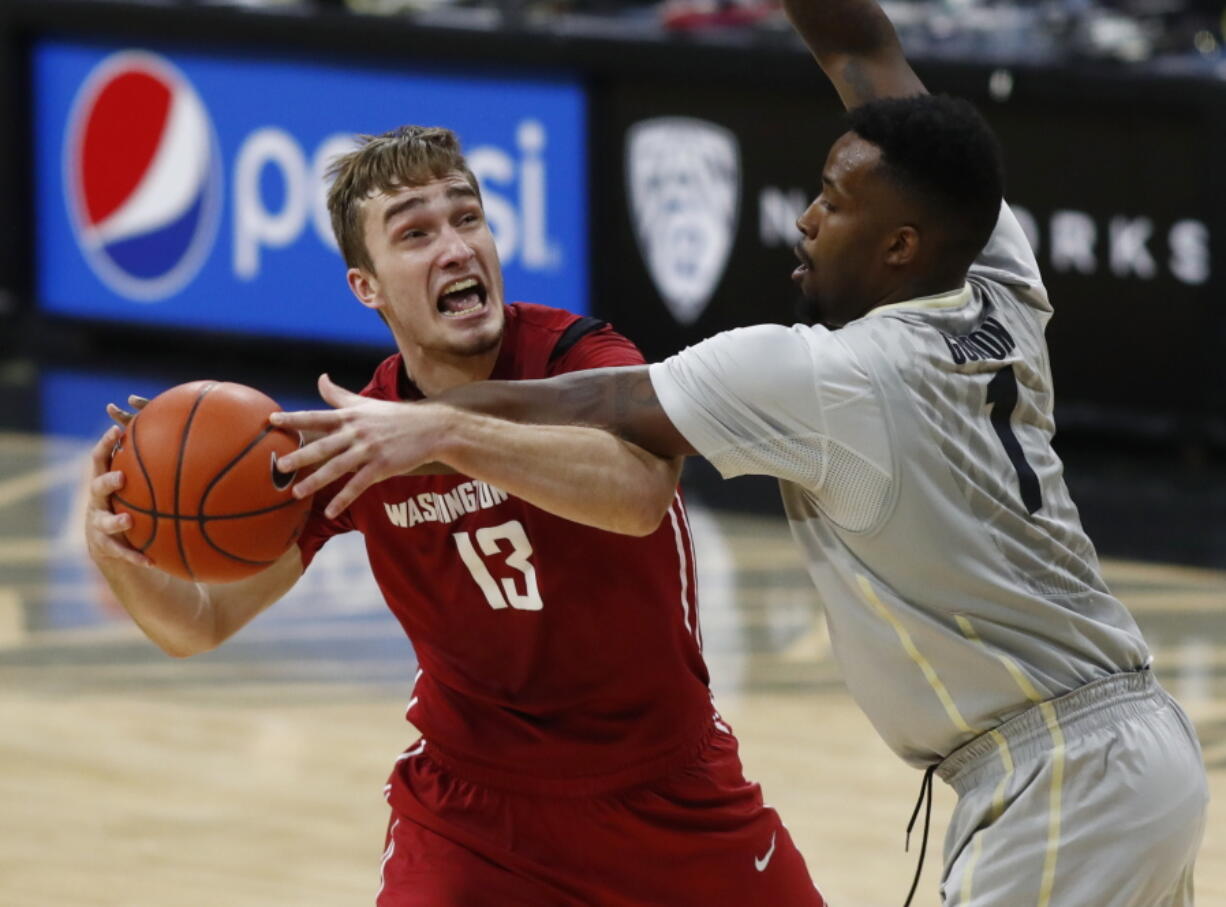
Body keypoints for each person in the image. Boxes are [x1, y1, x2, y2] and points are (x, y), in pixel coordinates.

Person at [272, 2, 1210, 904]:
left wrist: (428, 424)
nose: (804, 218)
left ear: (900, 245)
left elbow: (605, 404)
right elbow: (861, 45)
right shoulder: (996, 273)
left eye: (834, 204)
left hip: (1055, 776)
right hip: (1142, 749)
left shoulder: (832, 376)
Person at [84, 126, 825, 905]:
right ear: (366, 286)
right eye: (415, 232)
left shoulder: (582, 360)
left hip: (666, 789)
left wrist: (443, 430)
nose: (456, 247)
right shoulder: (360, 432)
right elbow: (197, 622)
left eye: (467, 218)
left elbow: (638, 496)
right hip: (473, 812)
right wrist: (115, 551)